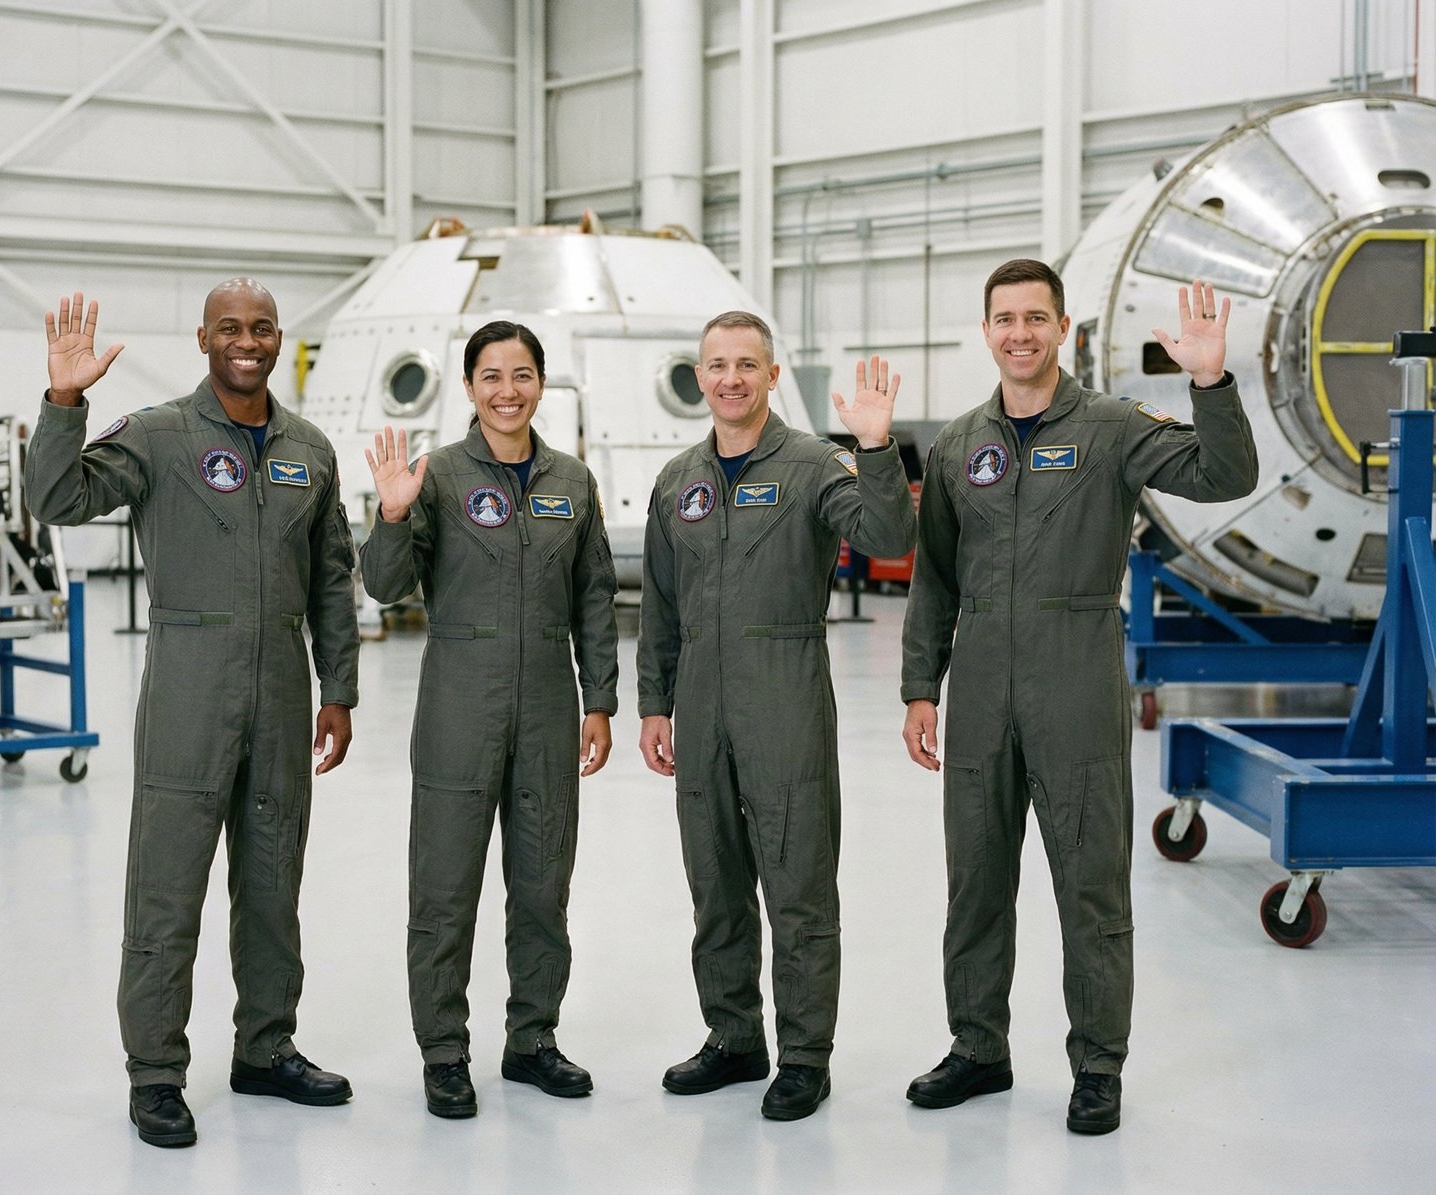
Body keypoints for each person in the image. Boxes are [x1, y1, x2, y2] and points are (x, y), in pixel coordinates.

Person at [899, 260, 1259, 1135]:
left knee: (1090, 883)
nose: (1019, 332)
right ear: (985, 331)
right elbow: (934, 578)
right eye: (1004, 319)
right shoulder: (957, 445)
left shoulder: (1110, 427)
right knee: (975, 880)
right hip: (981, 680)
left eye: (1035, 317)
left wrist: (1209, 380)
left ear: (1063, 329)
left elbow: (1224, 474)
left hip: (1077, 674)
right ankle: (978, 1046)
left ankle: (1098, 1064)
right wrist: (920, 686)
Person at [25, 281, 360, 1148]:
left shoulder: (310, 450)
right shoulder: (161, 435)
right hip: (187, 688)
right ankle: (156, 1073)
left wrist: (340, 688)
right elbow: (56, 500)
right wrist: (65, 400)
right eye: (229, 329)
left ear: (279, 338)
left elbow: (331, 580)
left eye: (261, 329)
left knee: (272, 883)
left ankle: (266, 1046)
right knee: (167, 887)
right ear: (203, 337)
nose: (246, 342)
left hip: (283, 690)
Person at [637, 310, 917, 1121]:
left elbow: (890, 532)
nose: (729, 378)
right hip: (699, 701)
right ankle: (734, 1037)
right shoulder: (678, 479)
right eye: (716, 365)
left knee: (797, 881)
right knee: (715, 880)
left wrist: (875, 449)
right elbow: (659, 602)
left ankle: (803, 1054)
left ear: (769, 374)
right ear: (700, 377)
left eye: (745, 364)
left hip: (785, 692)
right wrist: (655, 702)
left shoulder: (811, 465)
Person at [360, 320, 620, 1119]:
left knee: (543, 884)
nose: (508, 390)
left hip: (547, 703)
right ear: (469, 387)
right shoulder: (434, 476)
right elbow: (385, 587)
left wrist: (600, 700)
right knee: (444, 888)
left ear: (542, 384)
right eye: (491, 376)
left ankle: (532, 1038)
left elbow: (595, 598)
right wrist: (394, 515)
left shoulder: (572, 481)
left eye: (523, 374)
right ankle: (444, 1051)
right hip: (457, 705)